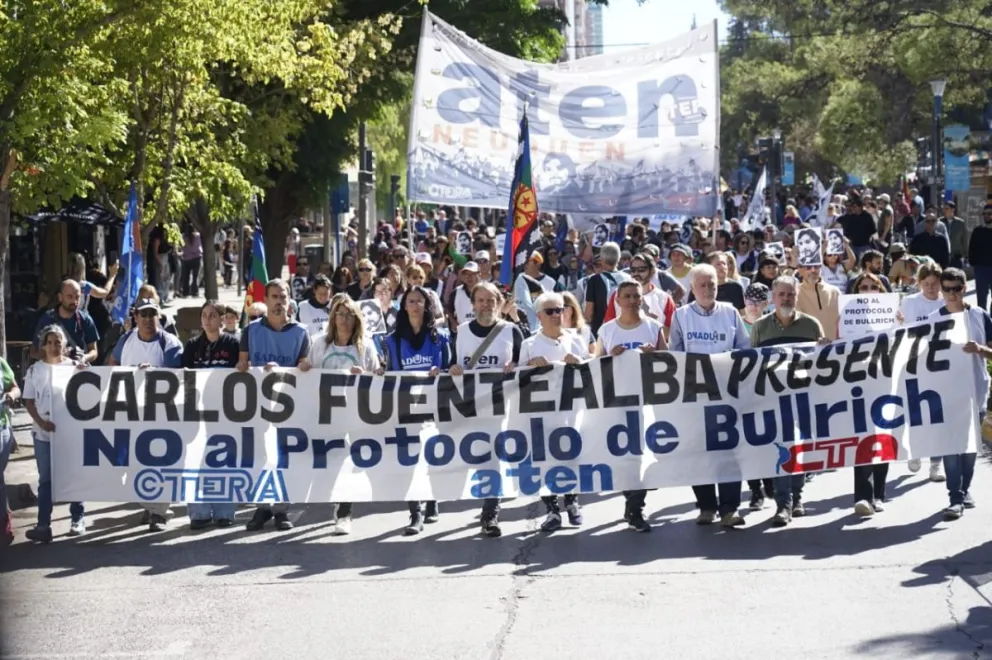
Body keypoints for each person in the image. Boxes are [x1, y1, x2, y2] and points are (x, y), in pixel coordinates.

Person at [669, 264, 750, 528]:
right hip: (695, 396)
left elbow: (744, 349)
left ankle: (729, 508)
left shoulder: (730, 313)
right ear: (692, 288)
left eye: (712, 284)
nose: (708, 289)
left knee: (728, 452)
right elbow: (675, 356)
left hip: (727, 395)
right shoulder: (681, 316)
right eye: (702, 285)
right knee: (698, 451)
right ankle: (706, 506)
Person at [749, 276, 828, 526]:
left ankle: (797, 498)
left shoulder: (811, 325)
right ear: (773, 297)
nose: (786, 299)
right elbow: (751, 363)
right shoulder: (760, 327)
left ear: (797, 296)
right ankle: (783, 504)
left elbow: (823, 362)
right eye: (781, 294)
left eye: (790, 294)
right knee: (780, 450)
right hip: (773, 399)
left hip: (803, 398)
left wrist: (825, 347)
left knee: (799, 449)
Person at [300, 295, 380, 536]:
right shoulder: (320, 344)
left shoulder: (366, 346)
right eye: (340, 314)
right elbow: (308, 372)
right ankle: (333, 500)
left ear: (357, 320)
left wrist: (365, 374)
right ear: (333, 318)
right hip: (325, 414)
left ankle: (344, 512)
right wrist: (304, 368)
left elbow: (377, 377)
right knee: (329, 463)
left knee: (347, 462)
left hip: (354, 415)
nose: (345, 319)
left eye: (349, 315)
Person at [449, 282, 524, 537]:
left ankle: (490, 513)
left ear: (499, 303)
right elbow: (452, 363)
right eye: (480, 300)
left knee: (494, 460)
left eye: (491, 300)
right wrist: (452, 368)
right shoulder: (461, 332)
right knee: (475, 458)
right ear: (472, 304)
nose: (486, 305)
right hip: (469, 408)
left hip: (500, 407)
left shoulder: (511, 331)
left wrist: (517, 365)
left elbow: (525, 362)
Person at [592, 281, 667, 532]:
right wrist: (609, 356)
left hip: (646, 400)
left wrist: (654, 355)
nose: (632, 301)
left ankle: (636, 508)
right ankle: (631, 500)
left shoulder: (653, 327)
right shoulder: (607, 330)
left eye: (636, 296)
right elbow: (595, 365)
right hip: (617, 401)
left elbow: (670, 362)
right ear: (618, 301)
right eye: (627, 296)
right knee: (624, 454)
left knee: (642, 455)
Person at [237, 280, 311, 531]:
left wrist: (294, 368)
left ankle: (281, 510)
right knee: (259, 457)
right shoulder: (251, 331)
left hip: (288, 408)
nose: (279, 301)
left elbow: (305, 367)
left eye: (283, 296)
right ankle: (262, 507)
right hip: (258, 406)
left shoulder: (301, 332)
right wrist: (243, 366)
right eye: (274, 297)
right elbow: (243, 362)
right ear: (266, 300)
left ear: (289, 300)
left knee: (284, 458)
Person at [107, 298, 184, 530]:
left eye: (153, 314)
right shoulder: (126, 339)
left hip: (161, 413)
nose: (148, 319)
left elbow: (175, 376)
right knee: (136, 464)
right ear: (136, 317)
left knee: (160, 462)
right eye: (144, 314)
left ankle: (159, 513)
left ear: (159, 317)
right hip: (131, 412)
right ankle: (150, 507)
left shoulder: (170, 343)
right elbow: (113, 363)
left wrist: (152, 374)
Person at [381, 286, 452, 535]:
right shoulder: (392, 340)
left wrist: (442, 371)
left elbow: (451, 368)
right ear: (404, 306)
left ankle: (432, 499)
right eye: (410, 301)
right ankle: (415, 513)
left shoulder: (441, 337)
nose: (415, 305)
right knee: (410, 460)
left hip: (435, 405)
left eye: (419, 301)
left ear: (427, 305)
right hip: (406, 406)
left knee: (432, 455)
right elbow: (390, 372)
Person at [520, 292, 591, 532]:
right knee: (544, 462)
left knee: (572, 457)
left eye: (559, 310)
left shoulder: (577, 339)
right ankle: (551, 510)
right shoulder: (529, 344)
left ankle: (572, 502)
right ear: (539, 316)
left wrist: (580, 363)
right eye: (549, 311)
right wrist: (530, 366)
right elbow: (516, 381)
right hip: (541, 414)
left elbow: (592, 371)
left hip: (571, 412)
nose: (555, 315)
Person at [929, 267, 992, 520]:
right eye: (947, 289)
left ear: (965, 288)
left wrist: (980, 350)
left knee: (969, 447)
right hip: (944, 392)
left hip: (976, 388)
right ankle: (955, 497)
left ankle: (964, 490)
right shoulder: (933, 319)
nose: (951, 294)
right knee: (951, 445)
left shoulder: (979, 315)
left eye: (956, 289)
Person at [182, 302, 241, 529]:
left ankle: (225, 512)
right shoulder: (192, 346)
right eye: (204, 315)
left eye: (213, 315)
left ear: (222, 319)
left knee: (224, 460)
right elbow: (183, 377)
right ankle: (199, 512)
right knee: (195, 460)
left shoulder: (233, 344)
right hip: (197, 412)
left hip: (226, 412)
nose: (208, 319)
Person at [22, 325, 82, 542]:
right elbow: (29, 402)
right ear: (43, 346)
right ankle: (43, 525)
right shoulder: (34, 371)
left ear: (64, 345)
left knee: (74, 475)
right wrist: (41, 422)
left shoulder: (74, 367)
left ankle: (77, 519)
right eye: (50, 342)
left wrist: (85, 371)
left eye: (58, 342)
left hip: (70, 433)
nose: (54, 346)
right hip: (43, 434)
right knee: (45, 479)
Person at [899, 262, 947, 482]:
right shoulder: (909, 303)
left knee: (938, 415)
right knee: (916, 412)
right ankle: (915, 450)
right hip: (913, 365)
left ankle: (936, 464)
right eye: (926, 284)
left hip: (940, 367)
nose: (931, 288)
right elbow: (898, 333)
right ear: (919, 283)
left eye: (935, 284)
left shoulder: (947, 302)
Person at [32, 279, 100, 364]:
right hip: (53, 368)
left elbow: (94, 351)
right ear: (60, 297)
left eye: (77, 297)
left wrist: (84, 357)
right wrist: (56, 354)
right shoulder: (47, 319)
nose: (74, 301)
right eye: (70, 296)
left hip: (78, 368)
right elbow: (34, 352)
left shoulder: (85, 319)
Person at [583, 241, 629, 335]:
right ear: (619, 258)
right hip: (626, 329)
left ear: (602, 259)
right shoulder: (628, 278)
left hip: (601, 331)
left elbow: (589, 313)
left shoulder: (594, 280)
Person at [0, 355, 20, 545]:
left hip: (1, 428)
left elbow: (15, 387)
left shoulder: (0, 363)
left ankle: (4, 522)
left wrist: (11, 395)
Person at [795, 265, 841, 341]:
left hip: (834, 345)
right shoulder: (795, 293)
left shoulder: (835, 291)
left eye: (816, 266)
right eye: (808, 267)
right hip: (810, 346)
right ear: (800, 270)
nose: (813, 270)